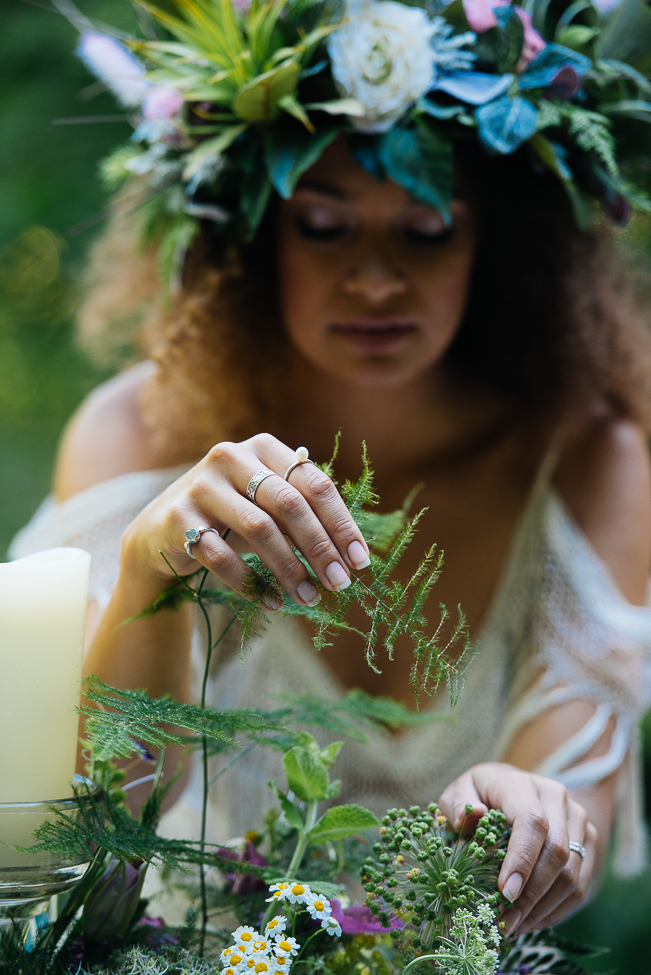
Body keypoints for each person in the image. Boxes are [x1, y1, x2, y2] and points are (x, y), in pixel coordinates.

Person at [10, 0, 651, 941]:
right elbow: (103, 834)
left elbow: (570, 797)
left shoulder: (589, 460)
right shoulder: (135, 437)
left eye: (425, 230)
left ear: (500, 245)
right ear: (256, 239)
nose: (377, 278)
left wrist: (527, 809)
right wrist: (151, 570)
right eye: (324, 225)